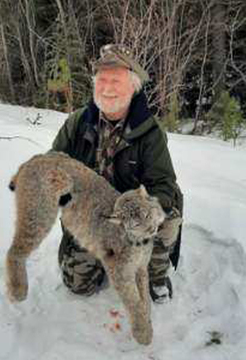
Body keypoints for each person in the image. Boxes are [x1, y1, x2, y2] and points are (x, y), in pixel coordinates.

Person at [52, 44, 183, 303]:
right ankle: (103, 258)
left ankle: (154, 273)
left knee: (165, 218)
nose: (107, 87)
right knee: (78, 286)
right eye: (102, 80)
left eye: (116, 80)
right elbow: (54, 166)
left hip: (135, 218)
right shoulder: (77, 122)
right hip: (93, 217)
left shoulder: (149, 130)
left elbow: (164, 184)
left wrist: (141, 213)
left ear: (132, 86)